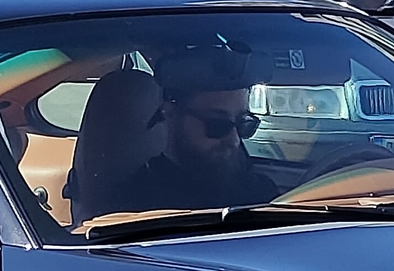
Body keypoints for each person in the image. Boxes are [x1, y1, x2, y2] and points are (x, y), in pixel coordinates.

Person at [106, 61, 276, 214]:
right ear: (170, 113)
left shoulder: (261, 192)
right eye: (217, 124)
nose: (234, 140)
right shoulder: (136, 203)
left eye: (243, 123)